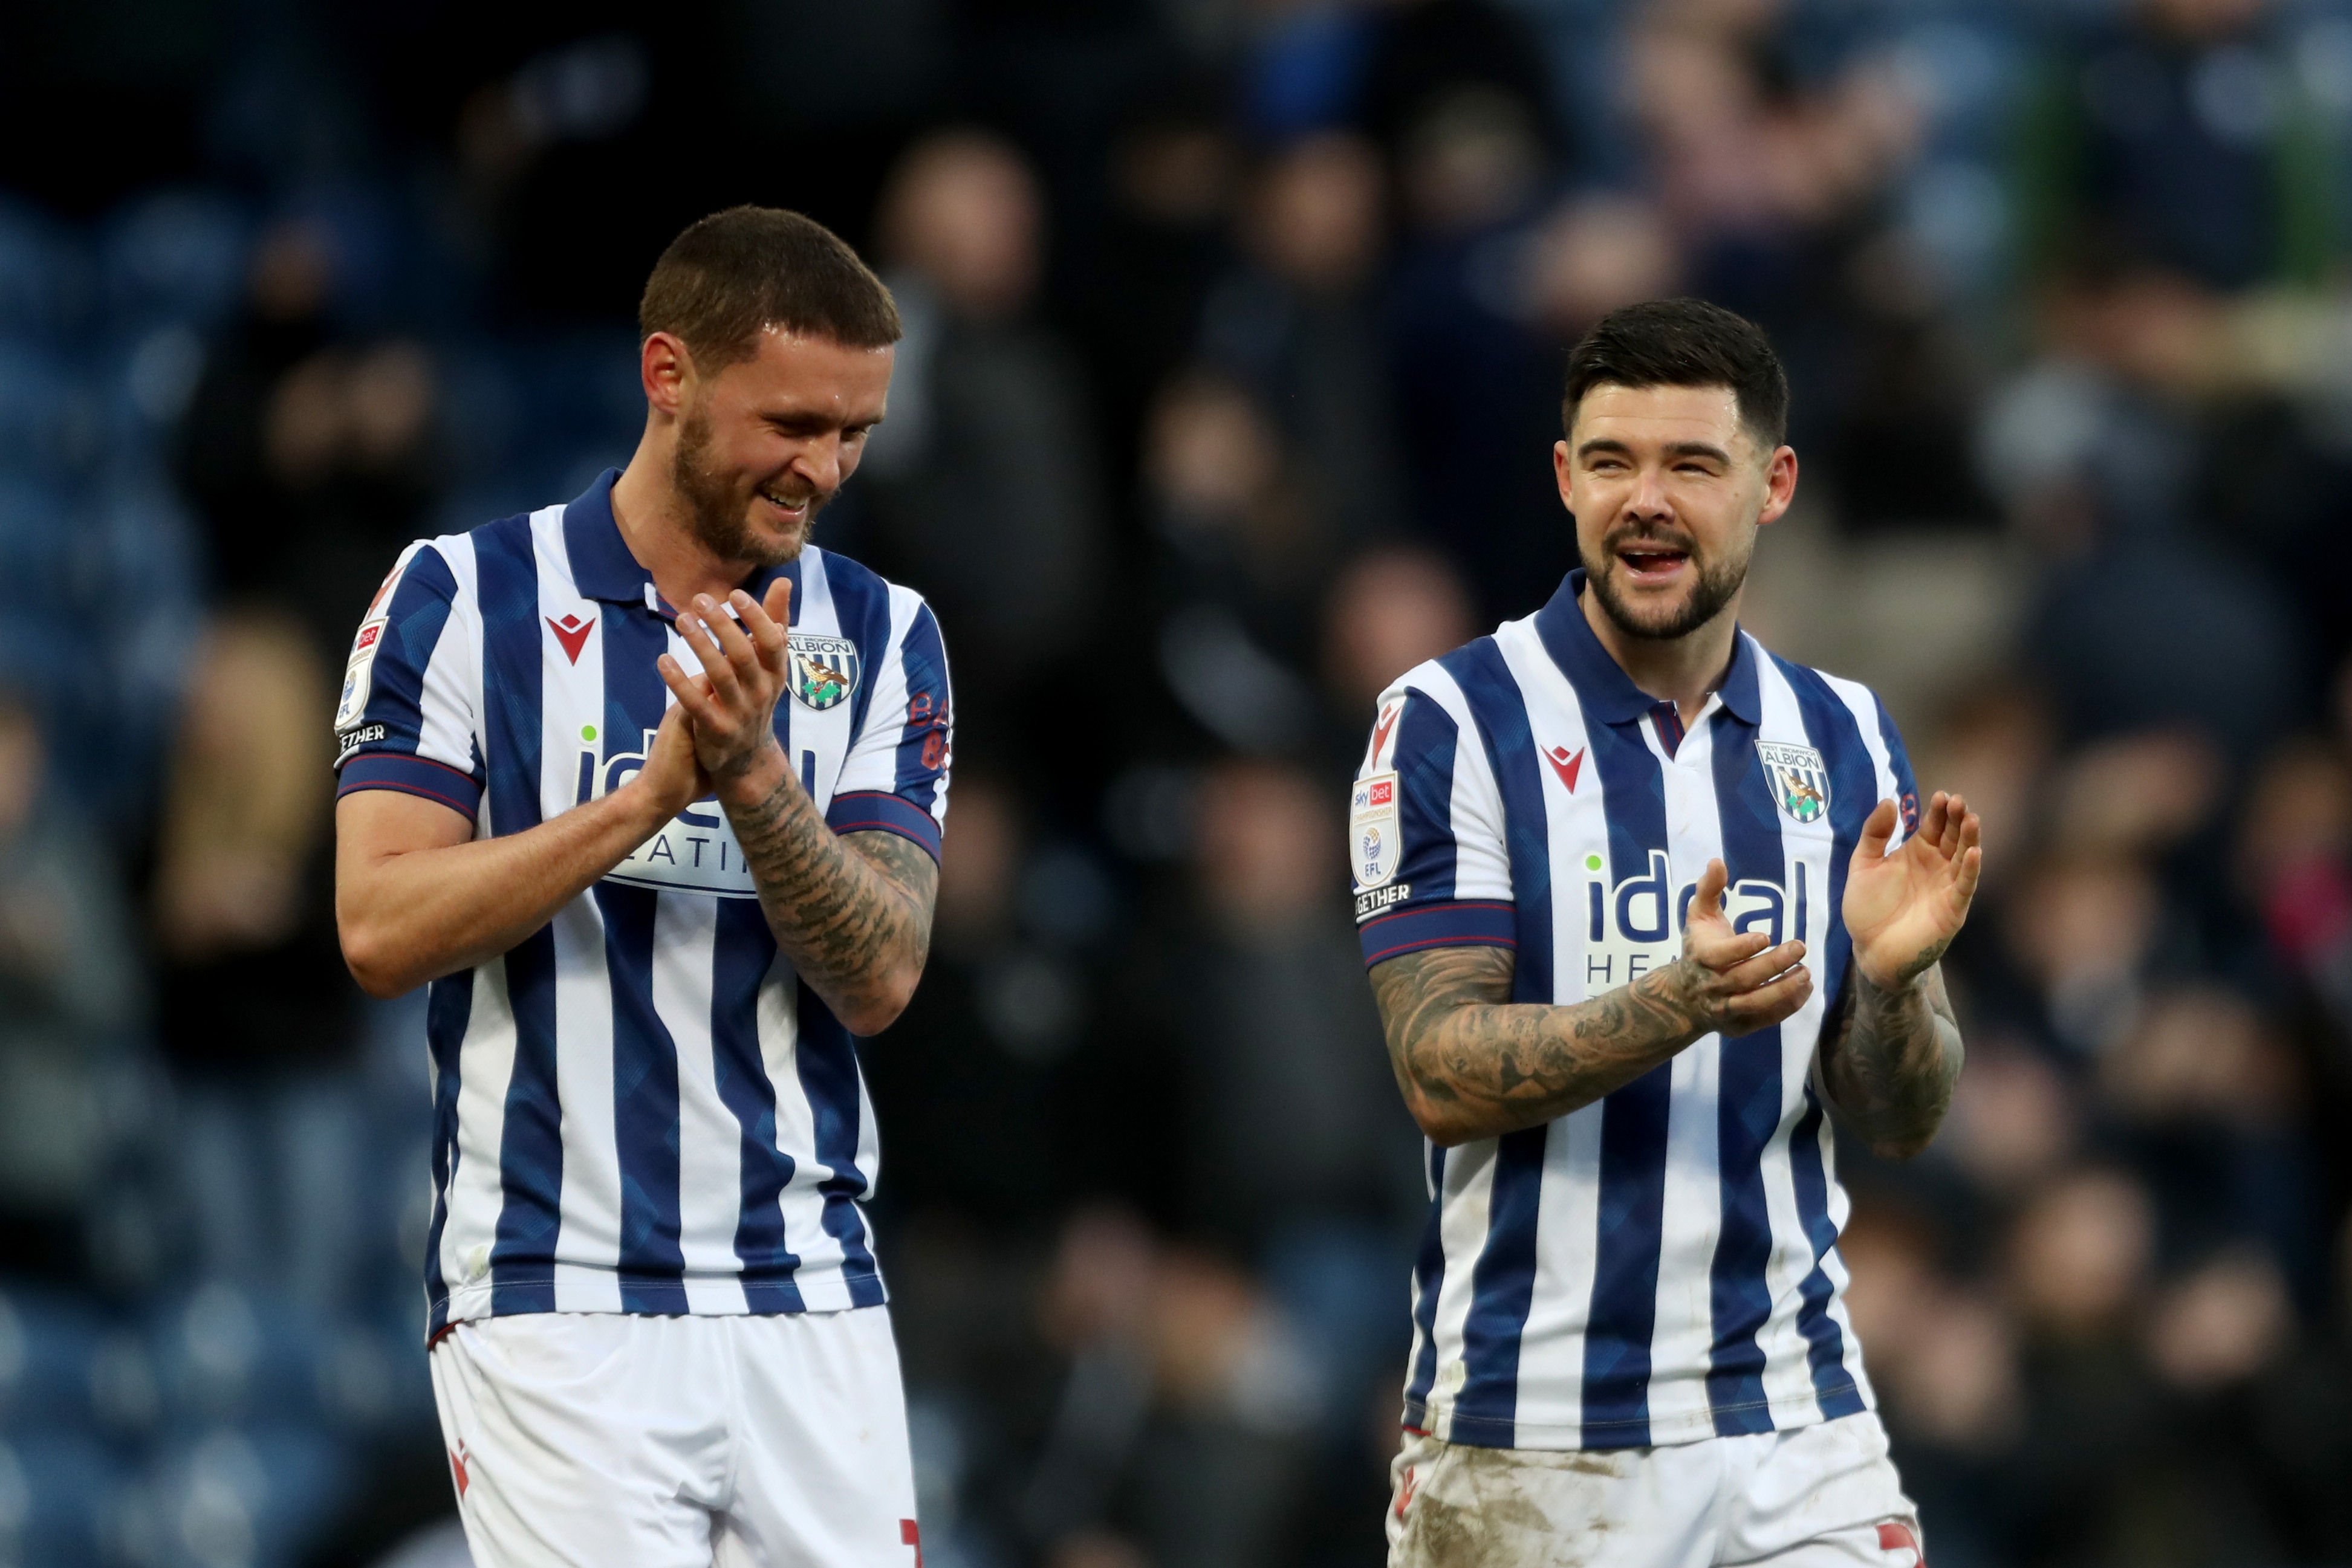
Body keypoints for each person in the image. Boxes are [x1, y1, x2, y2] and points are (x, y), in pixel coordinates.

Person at [331, 206, 952, 1567]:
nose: (823, 470)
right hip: (559, 1298)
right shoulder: (460, 598)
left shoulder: (887, 634)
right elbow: (378, 927)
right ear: (667, 373)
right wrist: (638, 805)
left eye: (855, 432)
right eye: (792, 421)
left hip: (811, 1291)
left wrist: (753, 778)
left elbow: (883, 972)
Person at [1355, 299, 1981, 1564]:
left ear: (1773, 484)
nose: (1645, 499)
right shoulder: (1446, 722)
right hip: (1527, 1444)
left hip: (1794, 1419)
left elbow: (1903, 1117)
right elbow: (1437, 1069)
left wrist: (1896, 987)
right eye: (1610, 462)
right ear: (1562, 478)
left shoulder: (1846, 737)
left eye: (1690, 465)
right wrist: (1675, 1002)